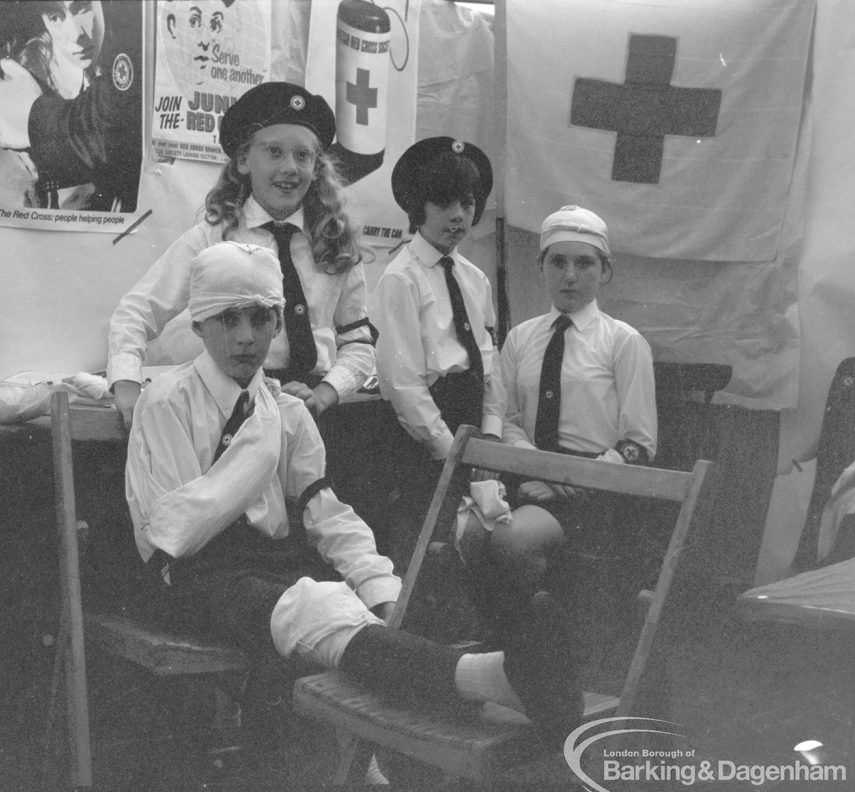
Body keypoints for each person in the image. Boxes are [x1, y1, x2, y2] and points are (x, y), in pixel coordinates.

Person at [124, 240, 583, 747]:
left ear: (278, 324)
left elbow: (327, 514)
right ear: (198, 326)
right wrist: (260, 441)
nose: (245, 338)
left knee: (387, 601)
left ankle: (503, 693)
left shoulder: (288, 413)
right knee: (314, 606)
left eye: (260, 319)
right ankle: (494, 679)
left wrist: (381, 589)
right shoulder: (168, 401)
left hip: (270, 571)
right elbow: (175, 533)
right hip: (191, 582)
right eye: (228, 320)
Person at [107, 81, 375, 428]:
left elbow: (358, 343)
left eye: (303, 155)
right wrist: (126, 383)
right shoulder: (214, 238)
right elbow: (135, 312)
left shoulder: (335, 242)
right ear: (245, 160)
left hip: (310, 413)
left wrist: (323, 395)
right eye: (274, 152)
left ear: (316, 166)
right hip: (233, 413)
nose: (290, 167)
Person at [459, 205, 658, 645]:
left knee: (511, 540)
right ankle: (507, 648)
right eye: (558, 262)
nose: (570, 275)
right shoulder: (522, 338)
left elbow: (639, 444)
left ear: (605, 271)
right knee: (471, 534)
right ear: (541, 267)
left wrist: (566, 479)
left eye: (584, 263)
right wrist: (535, 469)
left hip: (596, 493)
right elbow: (507, 418)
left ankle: (536, 650)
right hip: (530, 477)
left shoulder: (623, 342)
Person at [371, 137, 502, 572]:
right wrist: (449, 448)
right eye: (443, 202)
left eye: (467, 203)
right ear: (417, 208)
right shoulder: (401, 280)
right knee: (434, 550)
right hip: (428, 441)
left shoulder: (474, 279)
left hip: (474, 432)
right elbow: (404, 383)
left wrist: (493, 433)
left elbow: (488, 361)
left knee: (494, 539)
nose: (458, 215)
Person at [0, 0, 141, 212]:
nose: (76, 33)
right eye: (55, 17)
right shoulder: (24, 78)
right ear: (44, 22)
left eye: (82, 8)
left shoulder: (122, 67)